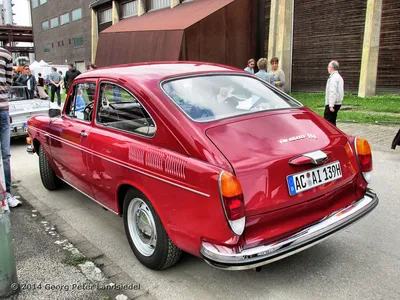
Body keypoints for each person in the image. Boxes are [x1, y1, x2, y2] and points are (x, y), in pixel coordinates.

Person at [0, 47, 21, 207]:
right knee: (5, 155)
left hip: (3, 110)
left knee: (6, 156)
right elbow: (8, 82)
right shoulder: (6, 53)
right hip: (2, 108)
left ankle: (6, 195)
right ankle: (7, 195)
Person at [324, 60, 344, 126]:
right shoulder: (338, 77)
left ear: (332, 68)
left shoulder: (334, 78)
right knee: (332, 121)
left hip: (333, 103)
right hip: (337, 102)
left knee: (328, 123)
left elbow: (333, 91)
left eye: (328, 67)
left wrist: (331, 105)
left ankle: (330, 135)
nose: (327, 68)